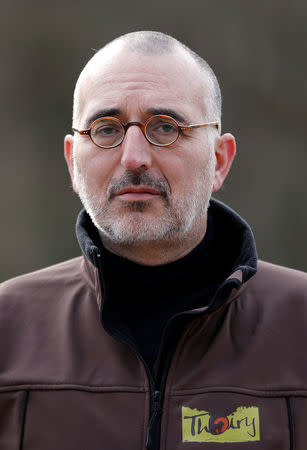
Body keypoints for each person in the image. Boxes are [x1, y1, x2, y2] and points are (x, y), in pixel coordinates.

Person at [0, 31, 306, 450]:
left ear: (219, 160)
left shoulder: (299, 327)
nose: (133, 157)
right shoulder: (8, 330)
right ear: (73, 162)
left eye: (165, 127)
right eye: (105, 129)